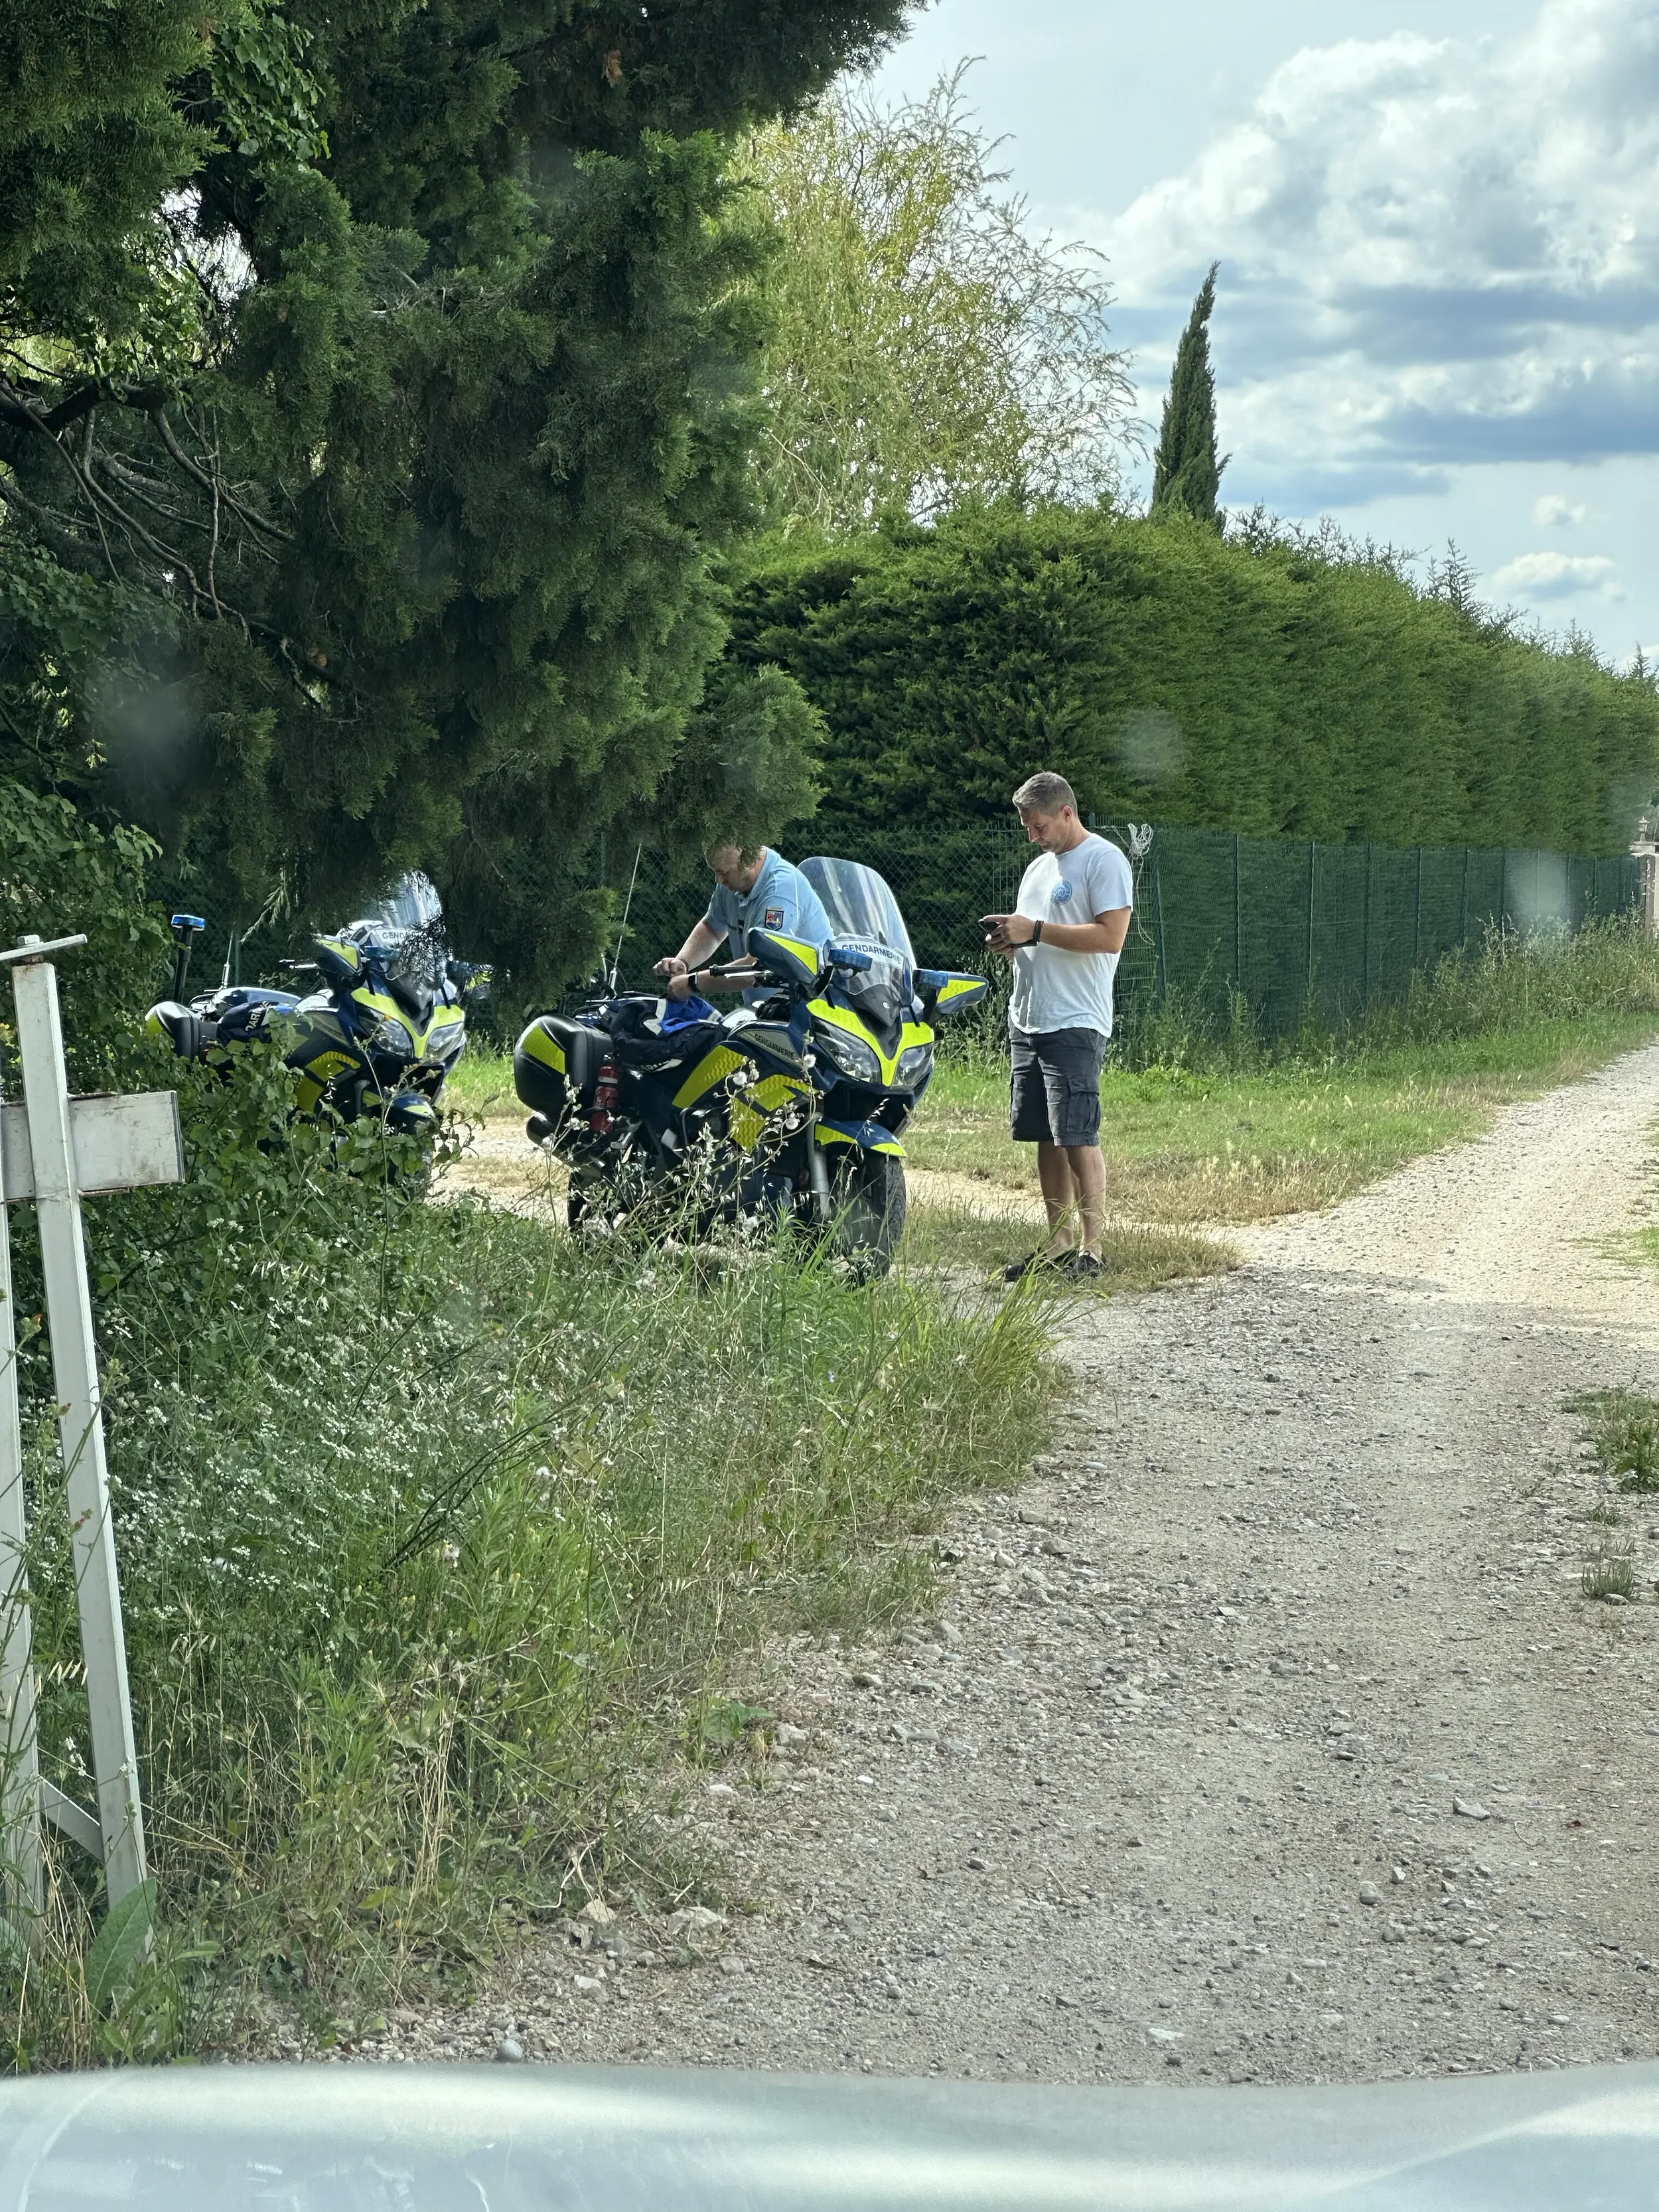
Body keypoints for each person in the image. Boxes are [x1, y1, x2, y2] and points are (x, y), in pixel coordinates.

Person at [981, 772, 1134, 1280]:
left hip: (1074, 1018)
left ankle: (1094, 1249)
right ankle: (1059, 1244)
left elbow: (1111, 937)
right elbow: (1032, 935)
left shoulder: (1104, 860)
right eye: (1028, 826)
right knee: (1046, 1135)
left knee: (1077, 1134)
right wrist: (1013, 940)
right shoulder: (1037, 870)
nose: (1034, 835)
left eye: (1039, 825)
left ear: (1066, 812)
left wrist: (1038, 930)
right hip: (1030, 1017)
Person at [655, 838, 831, 1009]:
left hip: (809, 1011)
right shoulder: (733, 883)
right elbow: (712, 929)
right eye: (715, 871)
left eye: (724, 873)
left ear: (750, 861)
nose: (718, 879)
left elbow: (754, 970)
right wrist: (683, 961)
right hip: (769, 1009)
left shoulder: (779, 894)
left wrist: (692, 983)